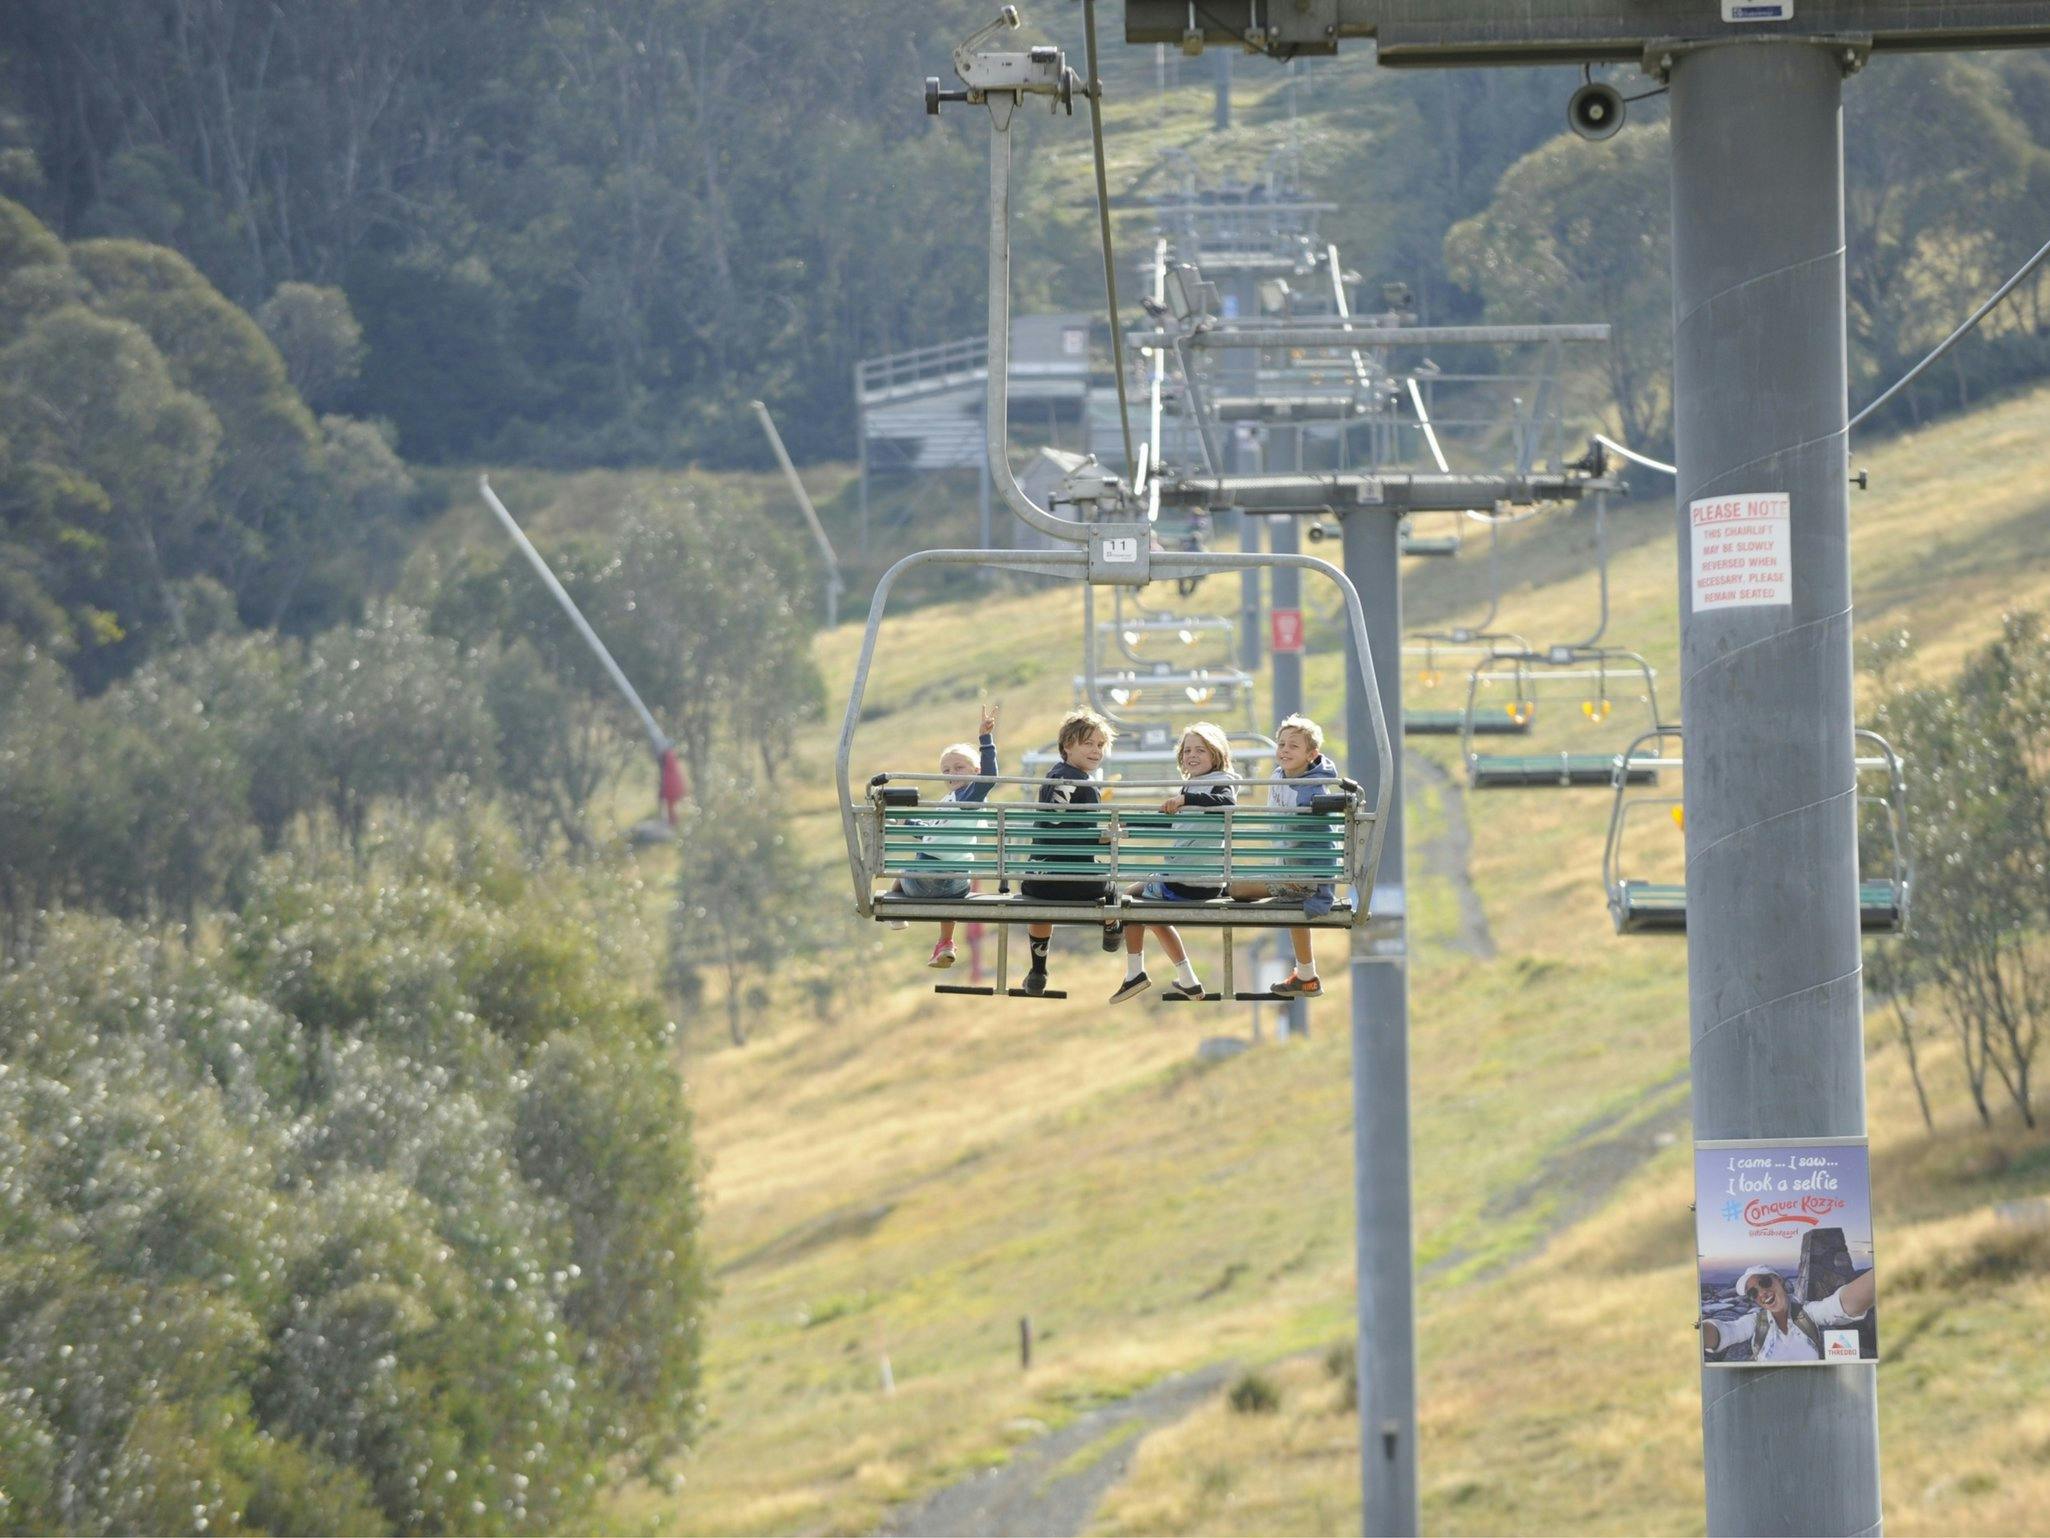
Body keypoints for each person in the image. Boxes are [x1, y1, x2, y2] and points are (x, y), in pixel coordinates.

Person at [1114, 722, 1238, 1004]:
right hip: (1199, 880)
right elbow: (1172, 823)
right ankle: (1188, 980)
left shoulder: (1222, 781)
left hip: (1187, 881)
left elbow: (1227, 802)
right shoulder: (1193, 784)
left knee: (1130, 899)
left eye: (1200, 750)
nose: (1191, 755)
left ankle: (1134, 971)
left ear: (1216, 754)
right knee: (1152, 912)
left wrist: (1185, 798)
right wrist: (1130, 823)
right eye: (1187, 751)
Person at [1229, 714, 1338, 998]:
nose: (1285, 750)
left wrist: (1323, 891)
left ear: (1311, 754)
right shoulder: (1279, 777)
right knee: (1280, 900)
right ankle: (1306, 975)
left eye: (1293, 746)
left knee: (1237, 889)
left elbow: (1326, 845)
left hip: (1303, 879)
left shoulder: (1312, 794)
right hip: (1287, 870)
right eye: (1281, 745)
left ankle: (1306, 974)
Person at [884, 704, 999, 969]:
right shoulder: (951, 801)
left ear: (975, 771)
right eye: (946, 771)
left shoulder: (971, 796)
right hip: (957, 885)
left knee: (905, 872)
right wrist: (907, 820)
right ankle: (945, 942)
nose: (952, 774)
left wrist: (985, 740)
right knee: (949, 895)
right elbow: (930, 832)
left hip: (922, 881)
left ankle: (896, 915)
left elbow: (991, 778)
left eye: (959, 767)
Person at [1018, 708, 1118, 997]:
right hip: (1083, 886)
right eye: (1088, 743)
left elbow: (1054, 828)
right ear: (1067, 746)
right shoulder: (1086, 785)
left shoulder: (1051, 779)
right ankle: (1112, 925)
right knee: (1114, 885)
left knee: (1039, 902)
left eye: (1100, 745)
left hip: (1039, 884)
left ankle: (1038, 969)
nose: (1096, 751)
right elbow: (1089, 839)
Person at [1699, 1263, 1876, 1362]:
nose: (1762, 1293)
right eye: (1753, 1293)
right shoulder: (1754, 1322)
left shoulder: (1809, 1313)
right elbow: (1727, 1331)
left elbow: (1839, 1306)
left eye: (1765, 1282)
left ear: (1779, 1280)